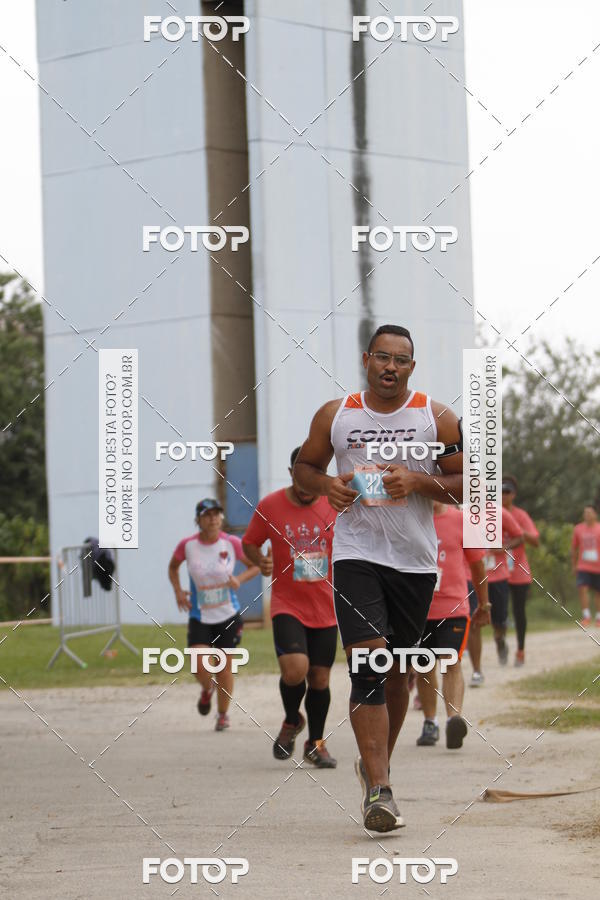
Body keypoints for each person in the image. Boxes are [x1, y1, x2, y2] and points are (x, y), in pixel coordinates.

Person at [293, 324, 463, 832]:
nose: (391, 367)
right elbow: (304, 469)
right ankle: (382, 791)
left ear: (413, 366)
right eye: (383, 357)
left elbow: (464, 486)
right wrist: (328, 485)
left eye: (402, 360)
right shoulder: (336, 414)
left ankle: (373, 775)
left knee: (397, 674)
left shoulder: (437, 416)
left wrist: (418, 480)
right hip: (355, 554)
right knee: (368, 663)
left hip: (413, 561)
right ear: (367, 359)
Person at [242, 448, 338, 768]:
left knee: (320, 679)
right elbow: (249, 542)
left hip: (325, 605)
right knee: (295, 669)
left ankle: (316, 744)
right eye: (300, 474)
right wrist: (260, 560)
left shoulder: (336, 505)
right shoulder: (270, 505)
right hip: (288, 602)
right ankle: (291, 720)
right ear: (291, 472)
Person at [168, 499, 259, 731]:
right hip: (200, 615)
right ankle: (207, 689)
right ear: (198, 520)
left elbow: (256, 565)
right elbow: (173, 567)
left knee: (224, 668)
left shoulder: (232, 543)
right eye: (207, 515)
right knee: (199, 665)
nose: (213, 519)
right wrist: (179, 591)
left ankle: (222, 714)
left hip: (228, 614)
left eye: (217, 514)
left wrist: (239, 579)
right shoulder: (187, 546)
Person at [415, 502, 489, 748]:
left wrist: (484, 603)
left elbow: (478, 565)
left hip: (454, 606)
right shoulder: (410, 518)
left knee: (450, 660)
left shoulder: (462, 520)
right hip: (418, 608)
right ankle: (429, 722)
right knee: (423, 665)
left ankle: (453, 720)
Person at [502, 475, 539, 665]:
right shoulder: (493, 514)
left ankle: (520, 650)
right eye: (500, 491)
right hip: (496, 571)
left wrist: (518, 530)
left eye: (507, 492)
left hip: (519, 571)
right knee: (497, 614)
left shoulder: (521, 515)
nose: (503, 495)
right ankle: (501, 643)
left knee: (519, 612)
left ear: (513, 495)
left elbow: (535, 541)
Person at [481, 506, 523, 668]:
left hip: (498, 574)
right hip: (473, 574)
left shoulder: (499, 513)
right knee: (470, 618)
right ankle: (472, 663)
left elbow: (519, 536)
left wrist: (504, 547)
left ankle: (500, 640)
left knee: (499, 618)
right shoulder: (465, 513)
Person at [571, 505, 600, 627]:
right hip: (583, 566)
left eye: (589, 512)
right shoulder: (578, 529)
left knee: (598, 592)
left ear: (595, 514)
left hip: (598, 566)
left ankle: (599, 617)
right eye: (585, 513)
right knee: (582, 588)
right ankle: (586, 616)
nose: (586, 515)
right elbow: (574, 548)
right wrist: (574, 564)